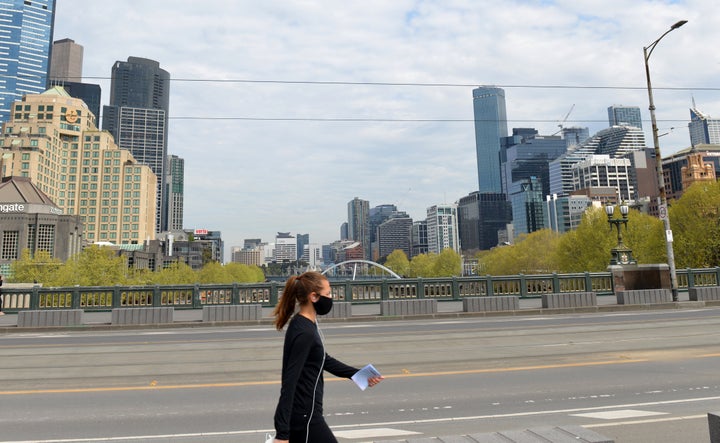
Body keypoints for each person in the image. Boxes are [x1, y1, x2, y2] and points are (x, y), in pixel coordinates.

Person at [272, 271, 383, 443]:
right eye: (328, 293)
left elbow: (323, 359)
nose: (332, 297)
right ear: (313, 297)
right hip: (306, 417)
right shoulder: (305, 332)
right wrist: (282, 433)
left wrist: (358, 375)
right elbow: (289, 382)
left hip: (305, 415)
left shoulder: (303, 323)